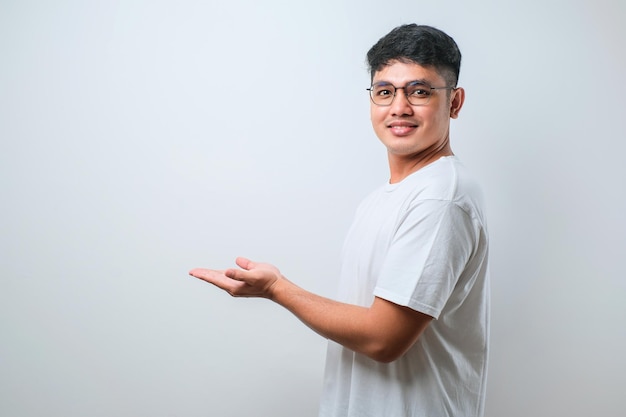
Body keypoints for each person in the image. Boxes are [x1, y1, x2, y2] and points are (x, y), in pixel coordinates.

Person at [190, 23, 490, 417]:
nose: (399, 107)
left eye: (419, 91)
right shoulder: (384, 198)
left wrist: (277, 288)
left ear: (454, 102)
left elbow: (384, 339)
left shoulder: (440, 197)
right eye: (385, 92)